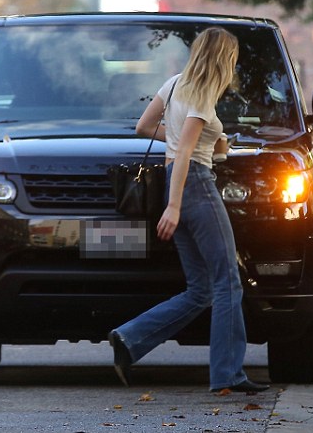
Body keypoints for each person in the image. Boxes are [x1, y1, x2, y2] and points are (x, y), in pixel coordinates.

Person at [108, 27, 269, 394]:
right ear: (223, 60)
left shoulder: (175, 84)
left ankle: (130, 338)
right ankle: (228, 375)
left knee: (201, 290)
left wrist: (207, 141)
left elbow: (144, 127)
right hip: (194, 186)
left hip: (177, 181)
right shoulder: (201, 96)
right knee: (228, 282)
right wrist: (174, 206)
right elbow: (185, 154)